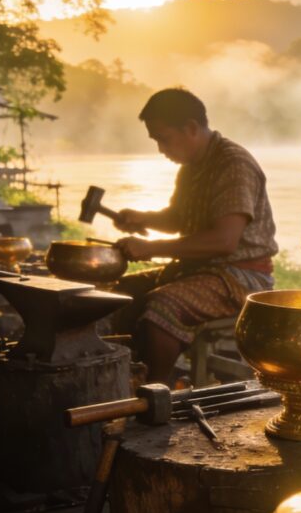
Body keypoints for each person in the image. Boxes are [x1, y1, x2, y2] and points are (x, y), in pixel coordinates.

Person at [112, 88, 278, 383]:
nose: (161, 149)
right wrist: (142, 218)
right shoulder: (190, 168)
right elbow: (178, 219)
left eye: (163, 138)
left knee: (161, 307)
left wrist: (150, 248)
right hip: (201, 270)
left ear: (190, 128)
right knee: (119, 293)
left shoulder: (233, 164)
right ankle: (128, 376)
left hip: (242, 278)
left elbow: (224, 241)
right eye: (156, 141)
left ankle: (157, 393)